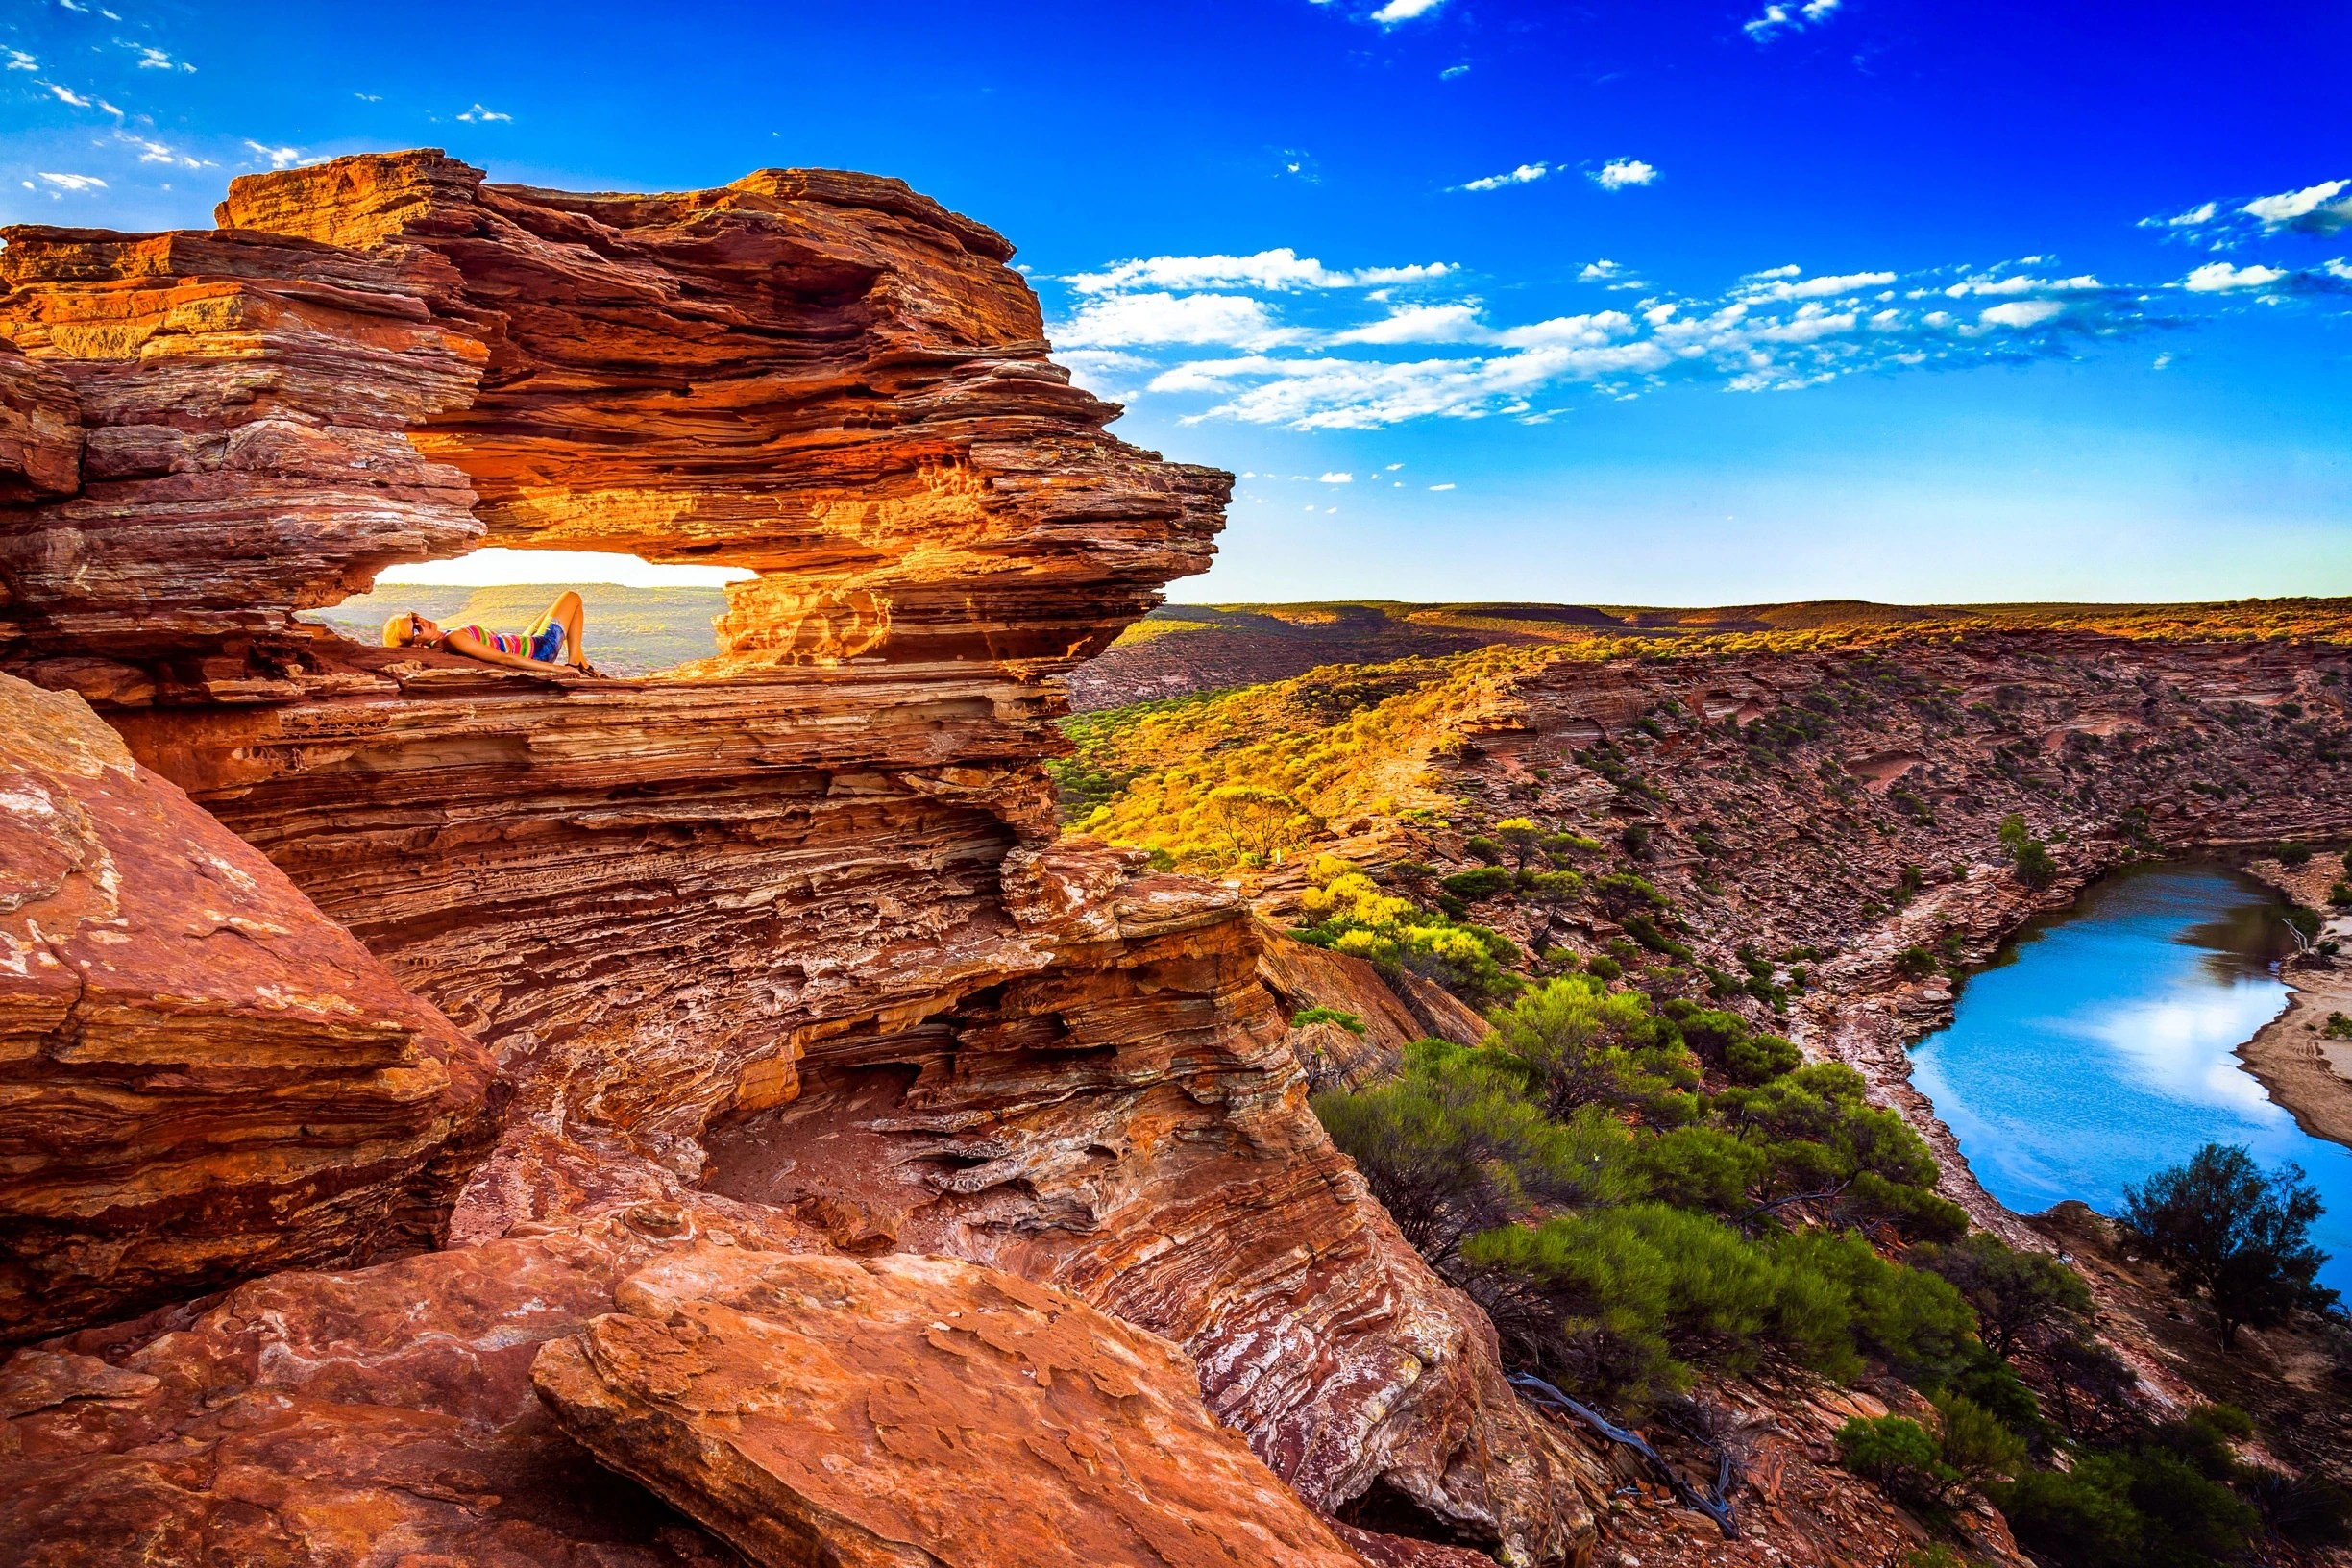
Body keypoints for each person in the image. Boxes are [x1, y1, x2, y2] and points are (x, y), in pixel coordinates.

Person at [382, 590, 596, 674]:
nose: (421, 621)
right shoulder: (453, 639)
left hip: (523, 641)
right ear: (416, 645)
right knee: (571, 598)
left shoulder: (442, 637)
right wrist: (560, 670)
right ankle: (575, 661)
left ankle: (581, 662)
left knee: (552, 611)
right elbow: (505, 659)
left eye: (414, 617)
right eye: (416, 628)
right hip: (537, 651)